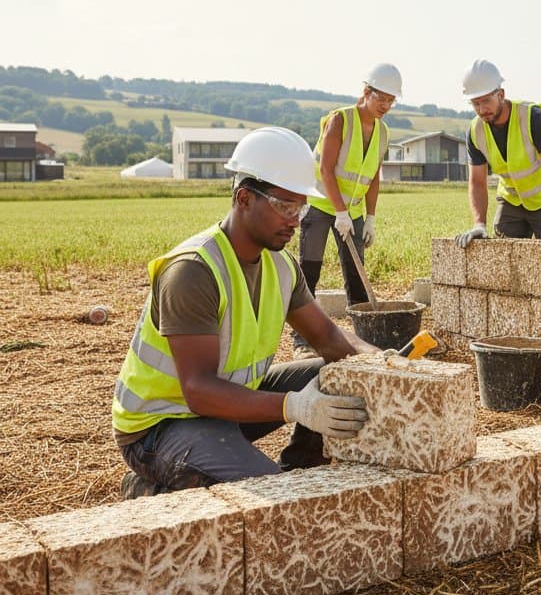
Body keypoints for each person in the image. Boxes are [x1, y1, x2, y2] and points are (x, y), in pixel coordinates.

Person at [112, 126, 376, 497]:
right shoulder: (193, 271)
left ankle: (302, 470)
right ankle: (150, 489)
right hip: (161, 425)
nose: (296, 220)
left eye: (300, 207)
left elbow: (329, 339)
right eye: (285, 206)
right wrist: (295, 406)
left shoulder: (281, 267)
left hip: (226, 407)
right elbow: (198, 391)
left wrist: (384, 364)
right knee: (271, 495)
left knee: (335, 372)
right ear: (244, 198)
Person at [294, 63, 400, 354]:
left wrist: (371, 218)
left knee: (356, 275)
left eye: (391, 100)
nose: (386, 106)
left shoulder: (383, 131)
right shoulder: (341, 120)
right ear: (366, 92)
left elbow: (374, 176)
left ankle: (361, 339)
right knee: (310, 271)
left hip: (352, 211)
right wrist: (339, 212)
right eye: (381, 98)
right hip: (319, 205)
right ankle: (301, 341)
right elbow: (326, 170)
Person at [455, 59, 541, 247]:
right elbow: (477, 181)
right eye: (476, 104)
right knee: (501, 258)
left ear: (501, 94)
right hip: (511, 200)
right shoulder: (475, 131)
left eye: (486, 101)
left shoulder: (532, 117)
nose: (482, 110)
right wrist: (479, 223)